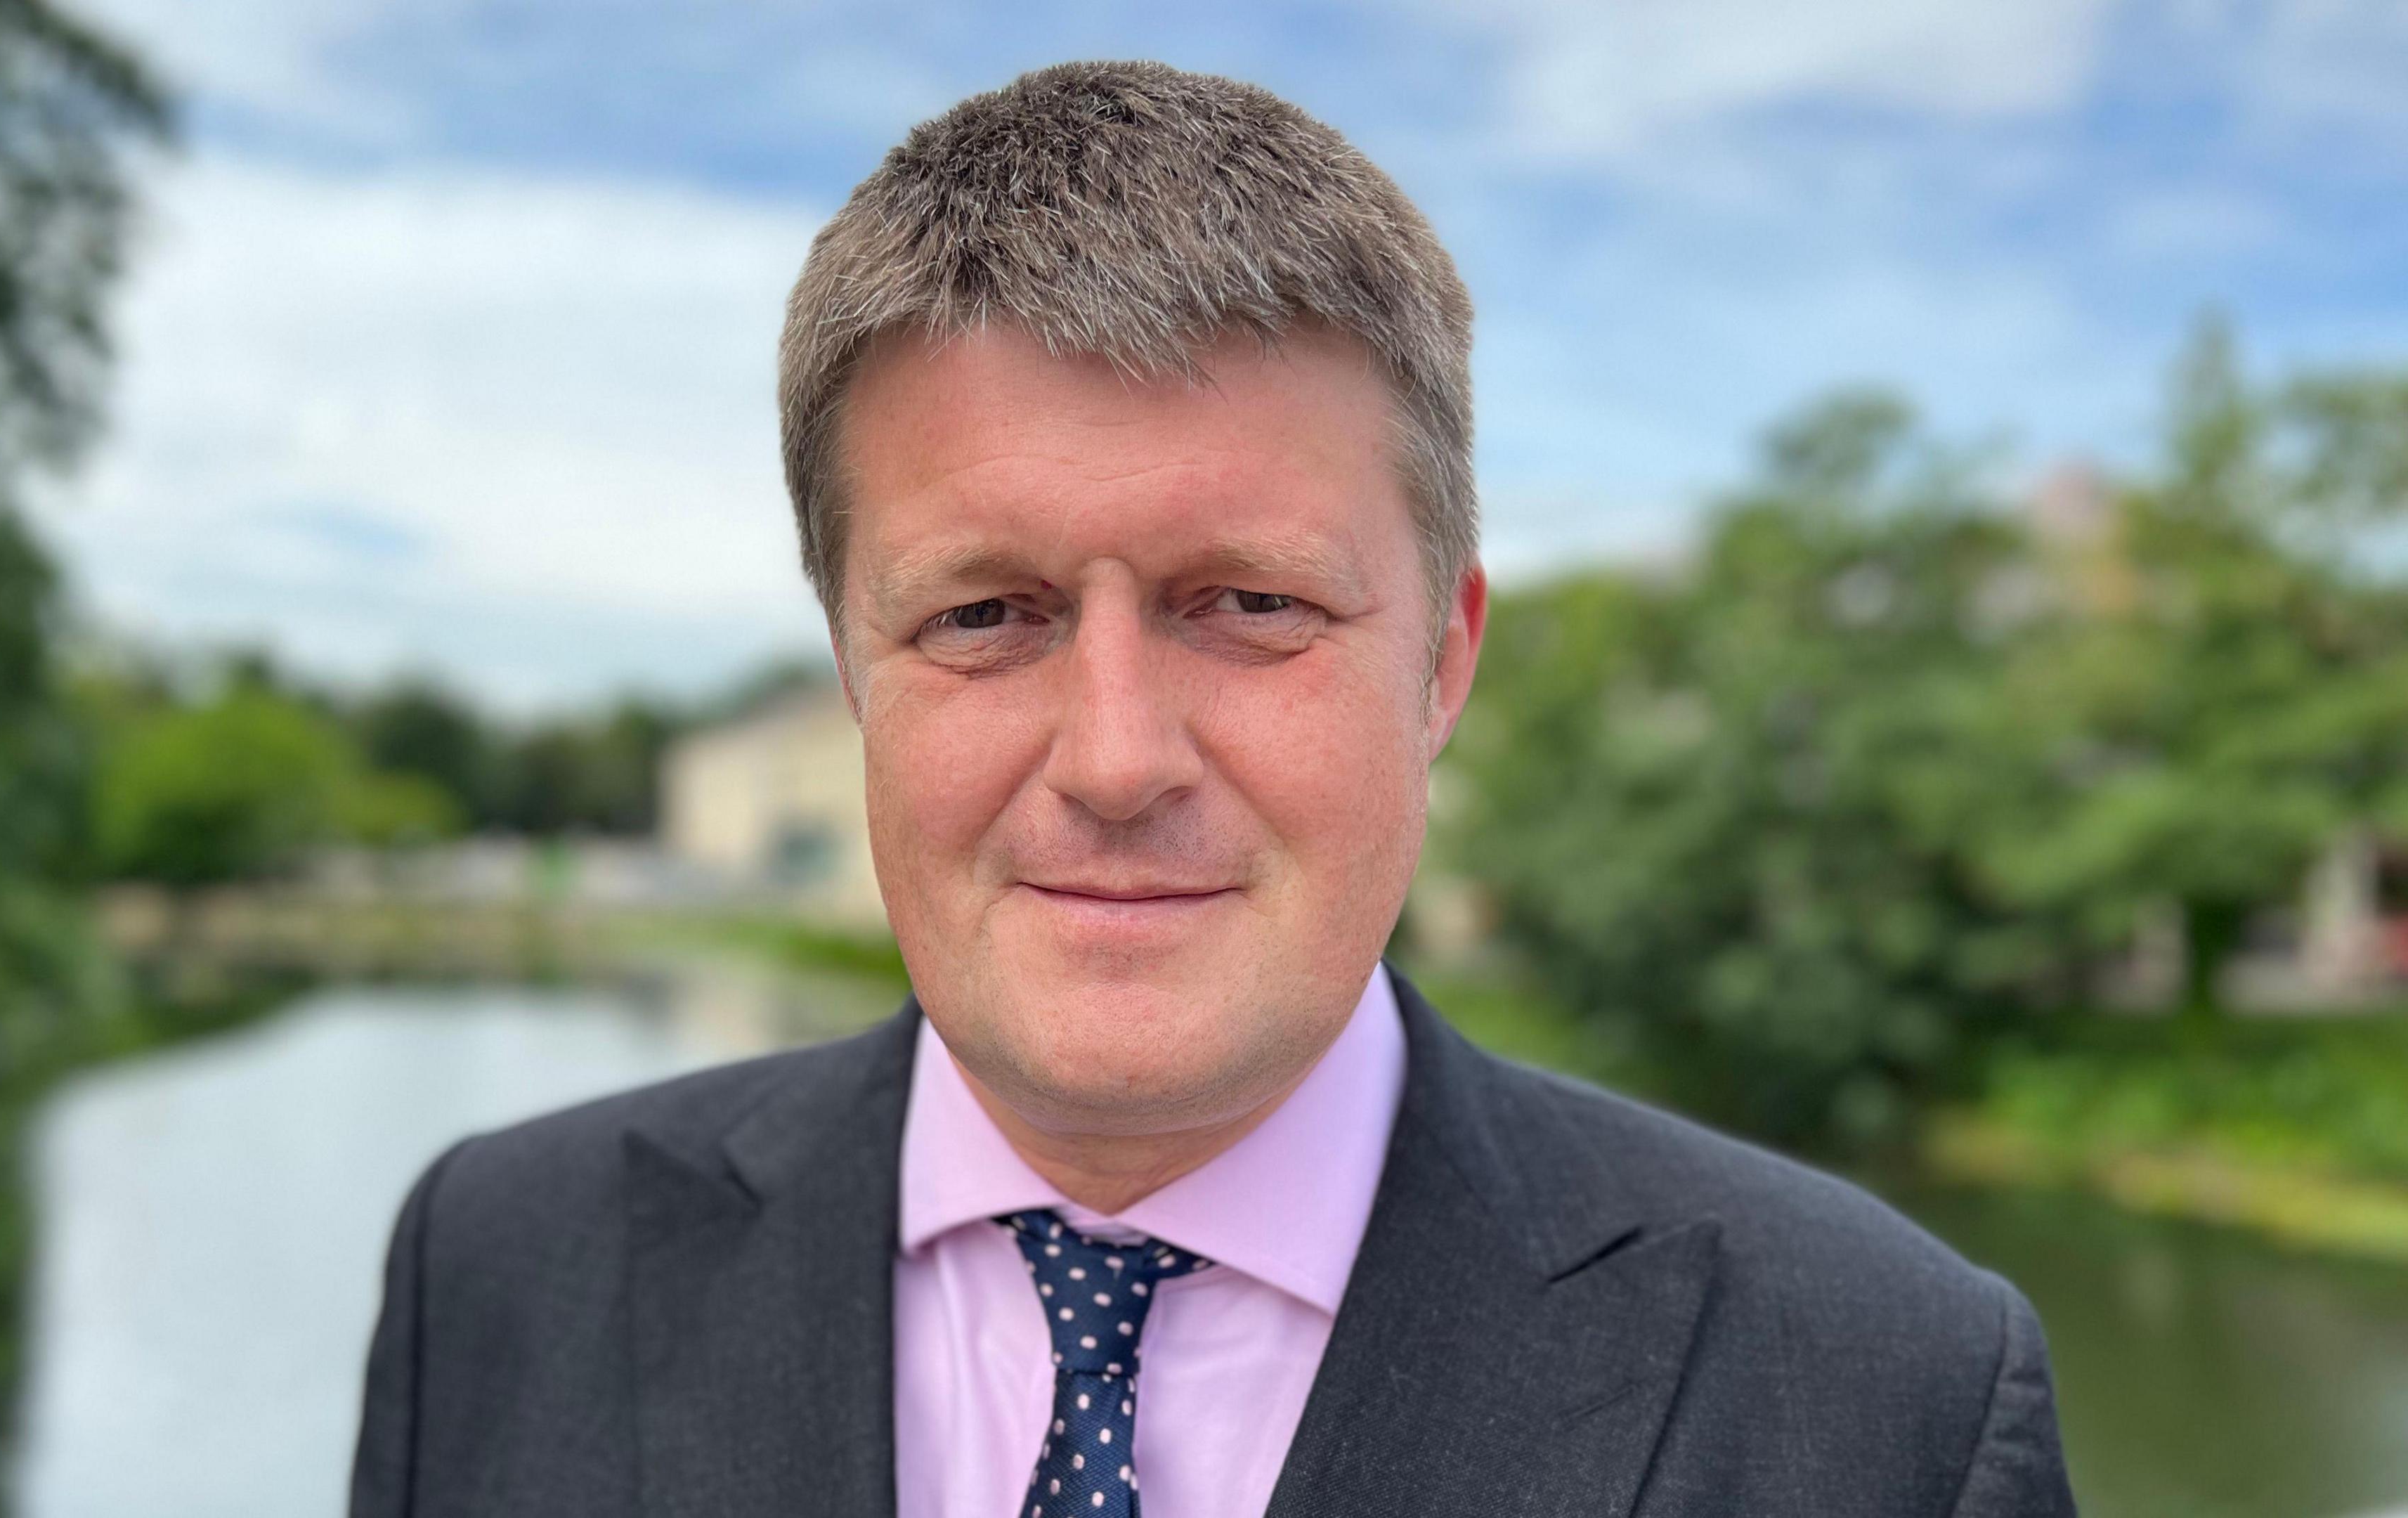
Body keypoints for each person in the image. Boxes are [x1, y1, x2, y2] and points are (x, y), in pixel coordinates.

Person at [348, 60, 2076, 1518]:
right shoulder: (503, 1267)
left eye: (1252, 607)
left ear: (1446, 661)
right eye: (983, 615)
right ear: (850, 661)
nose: (1114, 760)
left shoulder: (1890, 1404)